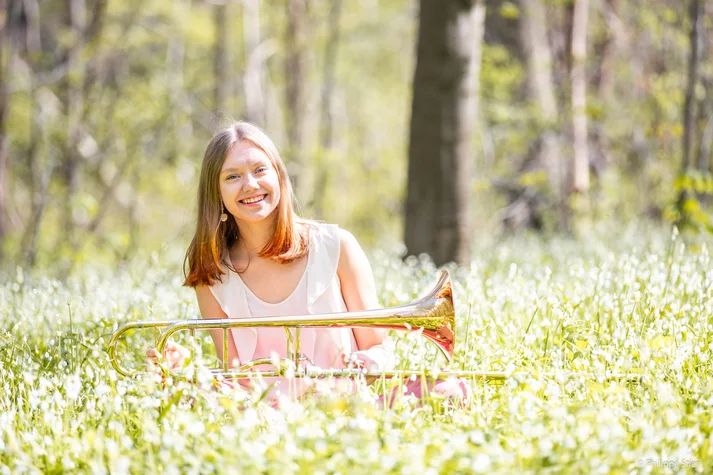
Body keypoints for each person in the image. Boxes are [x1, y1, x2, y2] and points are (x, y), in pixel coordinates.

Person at [148, 121, 468, 407]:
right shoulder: (213, 276)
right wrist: (186, 372)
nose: (250, 185)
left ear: (279, 177)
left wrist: (337, 388)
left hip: (348, 403)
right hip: (266, 416)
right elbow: (236, 377)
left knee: (449, 389)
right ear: (216, 193)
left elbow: (377, 350)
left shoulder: (336, 246)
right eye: (232, 176)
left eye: (260, 170)